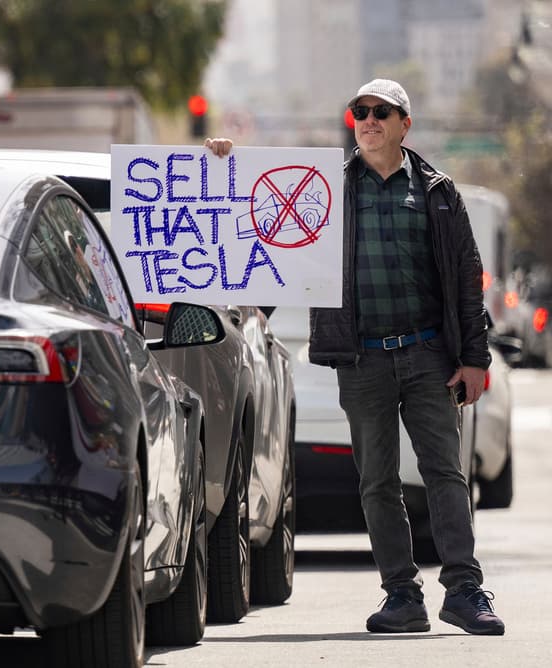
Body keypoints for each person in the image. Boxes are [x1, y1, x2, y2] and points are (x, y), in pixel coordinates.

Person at [203, 78, 504, 636]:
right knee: (376, 482)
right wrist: (224, 165)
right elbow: (263, 219)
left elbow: (467, 278)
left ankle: (464, 590)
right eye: (359, 112)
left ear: (403, 123)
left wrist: (474, 358)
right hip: (361, 359)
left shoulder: (438, 193)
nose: (368, 120)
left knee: (445, 474)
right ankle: (402, 597)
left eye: (380, 112)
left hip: (429, 357)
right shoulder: (329, 188)